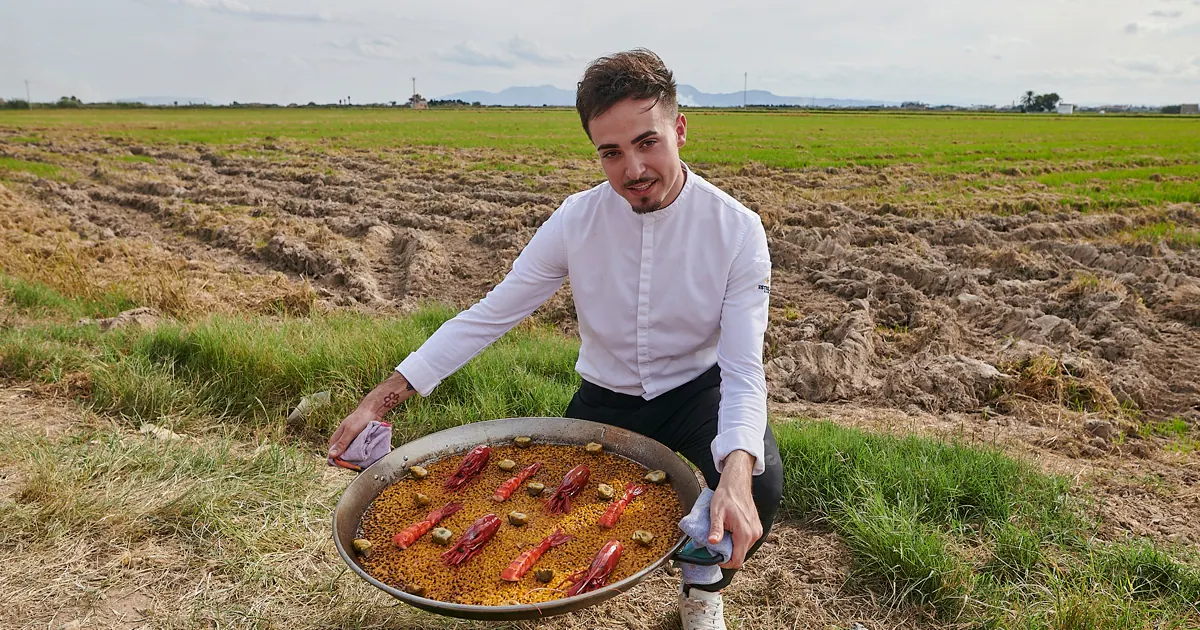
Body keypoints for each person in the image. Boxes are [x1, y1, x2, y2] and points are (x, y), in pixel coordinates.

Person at [327, 47, 783, 630]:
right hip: (605, 398)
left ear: (680, 129)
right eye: (611, 153)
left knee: (759, 487)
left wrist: (736, 476)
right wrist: (381, 397)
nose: (633, 169)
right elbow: (492, 313)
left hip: (700, 393)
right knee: (547, 514)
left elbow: (743, 370)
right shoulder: (575, 220)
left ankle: (701, 590)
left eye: (648, 142)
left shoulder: (737, 229)